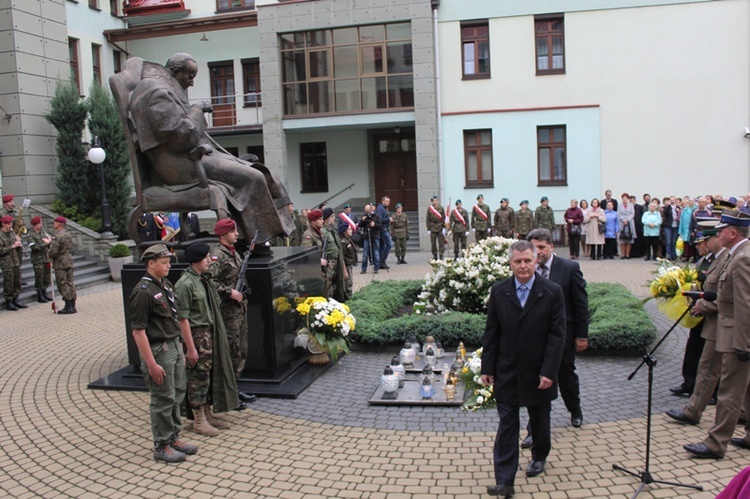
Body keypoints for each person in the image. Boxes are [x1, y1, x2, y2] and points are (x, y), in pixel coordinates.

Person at [127, 52, 294, 244]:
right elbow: (181, 138)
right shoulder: (156, 92)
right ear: (175, 71)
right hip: (178, 165)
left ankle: (258, 236)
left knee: (261, 172)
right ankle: (257, 239)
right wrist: (197, 110)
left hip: (188, 157)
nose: (191, 82)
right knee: (253, 177)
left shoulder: (166, 91)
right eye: (189, 76)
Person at [481, 240, 565, 497]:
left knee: (539, 420)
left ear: (536, 260)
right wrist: (487, 367)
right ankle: (505, 482)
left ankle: (539, 455)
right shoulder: (499, 291)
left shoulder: (552, 291)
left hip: (539, 372)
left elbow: (557, 335)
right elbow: (492, 332)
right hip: (507, 371)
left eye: (527, 260)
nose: (523, 266)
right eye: (517, 261)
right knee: (507, 425)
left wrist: (549, 371)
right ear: (510, 263)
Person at [684, 209, 750, 459]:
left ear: (732, 233)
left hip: (737, 335)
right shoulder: (739, 254)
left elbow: (745, 304)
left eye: (721, 230)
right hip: (735, 332)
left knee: (730, 392)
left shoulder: (742, 258)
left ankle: (716, 443)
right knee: (746, 389)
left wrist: (743, 344)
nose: (717, 234)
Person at [130, 244, 199, 463]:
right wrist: (151, 364)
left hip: (175, 346)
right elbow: (138, 332)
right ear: (151, 264)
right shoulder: (143, 292)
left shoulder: (166, 285)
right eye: (164, 262)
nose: (169, 265)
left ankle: (173, 437)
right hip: (159, 351)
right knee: (162, 397)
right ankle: (161, 445)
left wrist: (187, 347)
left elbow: (178, 317)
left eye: (169, 261)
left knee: (177, 393)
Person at [521, 228, 588, 450]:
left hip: (564, 335)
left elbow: (580, 304)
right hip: (535, 338)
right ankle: (534, 431)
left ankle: (575, 410)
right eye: (534, 247)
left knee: (566, 376)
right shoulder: (527, 269)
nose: (538, 252)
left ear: (551, 246)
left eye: (541, 247)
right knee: (538, 383)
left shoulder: (569, 268)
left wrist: (581, 335)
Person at [175, 242, 238, 436]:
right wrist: (190, 348)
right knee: (198, 378)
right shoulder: (185, 284)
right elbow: (182, 318)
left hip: (208, 333)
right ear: (196, 261)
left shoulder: (203, 279)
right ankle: (198, 420)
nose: (210, 261)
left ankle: (207, 413)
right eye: (206, 258)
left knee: (208, 375)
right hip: (196, 335)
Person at [666, 224, 727, 425]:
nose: (704, 245)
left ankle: (698, 410)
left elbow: (732, 298)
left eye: (708, 240)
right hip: (709, 320)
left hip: (722, 323)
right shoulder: (715, 259)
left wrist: (704, 305)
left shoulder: (735, 258)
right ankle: (693, 407)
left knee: (715, 369)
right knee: (705, 365)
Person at [208, 218, 257, 410]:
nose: (237, 233)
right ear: (222, 234)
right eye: (232, 231)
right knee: (230, 352)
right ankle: (226, 395)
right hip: (227, 313)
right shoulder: (217, 256)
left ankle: (234, 389)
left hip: (239, 311)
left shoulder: (233, 252)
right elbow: (209, 281)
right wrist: (229, 292)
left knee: (240, 351)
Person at [668, 230, 714, 398]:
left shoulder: (717, 260)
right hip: (698, 310)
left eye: (700, 244)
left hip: (710, 313)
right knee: (693, 348)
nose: (697, 247)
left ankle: (711, 391)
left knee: (708, 354)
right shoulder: (702, 260)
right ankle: (689, 383)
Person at [48, 216, 77, 314]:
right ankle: (73, 304)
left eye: (55, 222)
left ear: (59, 224)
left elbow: (54, 251)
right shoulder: (67, 234)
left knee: (62, 283)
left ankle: (68, 306)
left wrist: (49, 248)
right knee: (70, 282)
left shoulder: (58, 235)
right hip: (68, 260)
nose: (54, 224)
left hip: (60, 262)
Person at [322, 207, 348, 301]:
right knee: (328, 286)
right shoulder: (323, 231)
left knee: (336, 285)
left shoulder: (332, 230)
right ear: (326, 219)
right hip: (329, 263)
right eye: (332, 216)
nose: (334, 218)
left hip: (337, 262)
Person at [0, 215, 24, 310]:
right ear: (3, 224)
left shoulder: (12, 233)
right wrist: (13, 246)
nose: (10, 225)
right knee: (9, 283)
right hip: (7, 263)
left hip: (15, 261)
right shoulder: (0, 235)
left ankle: (15, 299)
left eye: (10, 223)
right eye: (8, 224)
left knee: (17, 282)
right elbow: (1, 250)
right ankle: (9, 301)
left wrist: (19, 244)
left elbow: (16, 247)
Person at [27, 216, 52, 303]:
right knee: (39, 277)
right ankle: (39, 294)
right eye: (39, 223)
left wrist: (50, 242)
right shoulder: (30, 234)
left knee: (46, 277)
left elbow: (48, 243)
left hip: (46, 258)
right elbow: (34, 247)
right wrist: (45, 244)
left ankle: (44, 292)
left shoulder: (43, 232)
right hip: (38, 259)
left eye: (41, 223)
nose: (41, 225)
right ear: (35, 224)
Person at [359, 204, 382, 273]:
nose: (367, 213)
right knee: (365, 253)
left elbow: (380, 225)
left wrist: (374, 225)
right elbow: (360, 225)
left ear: (371, 210)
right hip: (366, 236)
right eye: (366, 211)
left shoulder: (377, 216)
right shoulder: (364, 216)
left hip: (375, 236)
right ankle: (363, 269)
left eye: (368, 211)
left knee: (376, 252)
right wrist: (362, 220)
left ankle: (376, 268)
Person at [339, 222, 356, 298]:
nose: (351, 230)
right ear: (344, 232)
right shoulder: (343, 242)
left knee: (349, 283)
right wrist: (344, 270)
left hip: (349, 264)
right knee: (348, 283)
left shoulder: (348, 240)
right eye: (349, 229)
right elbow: (341, 257)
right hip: (346, 265)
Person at [426, 195, 445, 260]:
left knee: (441, 242)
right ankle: (435, 255)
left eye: (436, 200)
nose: (435, 202)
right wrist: (428, 229)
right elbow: (428, 219)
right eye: (434, 200)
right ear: (432, 201)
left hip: (440, 227)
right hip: (433, 227)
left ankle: (441, 254)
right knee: (433, 243)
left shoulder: (441, 208)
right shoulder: (429, 209)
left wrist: (444, 227)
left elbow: (443, 218)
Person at [617, 193, 636, 259]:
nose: (624, 200)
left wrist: (627, 220)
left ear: (628, 199)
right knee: (622, 240)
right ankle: (623, 254)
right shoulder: (619, 205)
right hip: (622, 223)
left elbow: (632, 213)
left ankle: (627, 254)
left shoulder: (631, 205)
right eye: (623, 198)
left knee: (629, 240)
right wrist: (623, 220)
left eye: (625, 198)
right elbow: (618, 214)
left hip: (630, 223)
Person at [376, 196, 393, 269]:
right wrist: (388, 219)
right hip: (382, 229)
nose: (388, 203)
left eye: (388, 201)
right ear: (383, 201)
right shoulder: (380, 209)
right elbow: (379, 219)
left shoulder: (384, 208)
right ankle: (382, 261)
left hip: (385, 229)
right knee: (389, 244)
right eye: (386, 201)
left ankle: (380, 263)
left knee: (382, 247)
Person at [662, 196, 680, 260]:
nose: (672, 201)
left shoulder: (678, 208)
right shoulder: (667, 208)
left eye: (673, 200)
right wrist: (668, 206)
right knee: (668, 241)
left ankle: (674, 255)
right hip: (668, 226)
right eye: (671, 200)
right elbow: (665, 214)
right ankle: (668, 255)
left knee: (674, 241)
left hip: (675, 226)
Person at [679, 197, 697, 262]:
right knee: (686, 243)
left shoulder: (696, 209)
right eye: (689, 201)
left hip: (692, 228)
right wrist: (680, 230)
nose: (691, 202)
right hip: (685, 228)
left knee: (692, 243)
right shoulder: (684, 210)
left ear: (694, 202)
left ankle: (693, 257)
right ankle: (686, 256)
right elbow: (681, 220)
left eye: (692, 201)